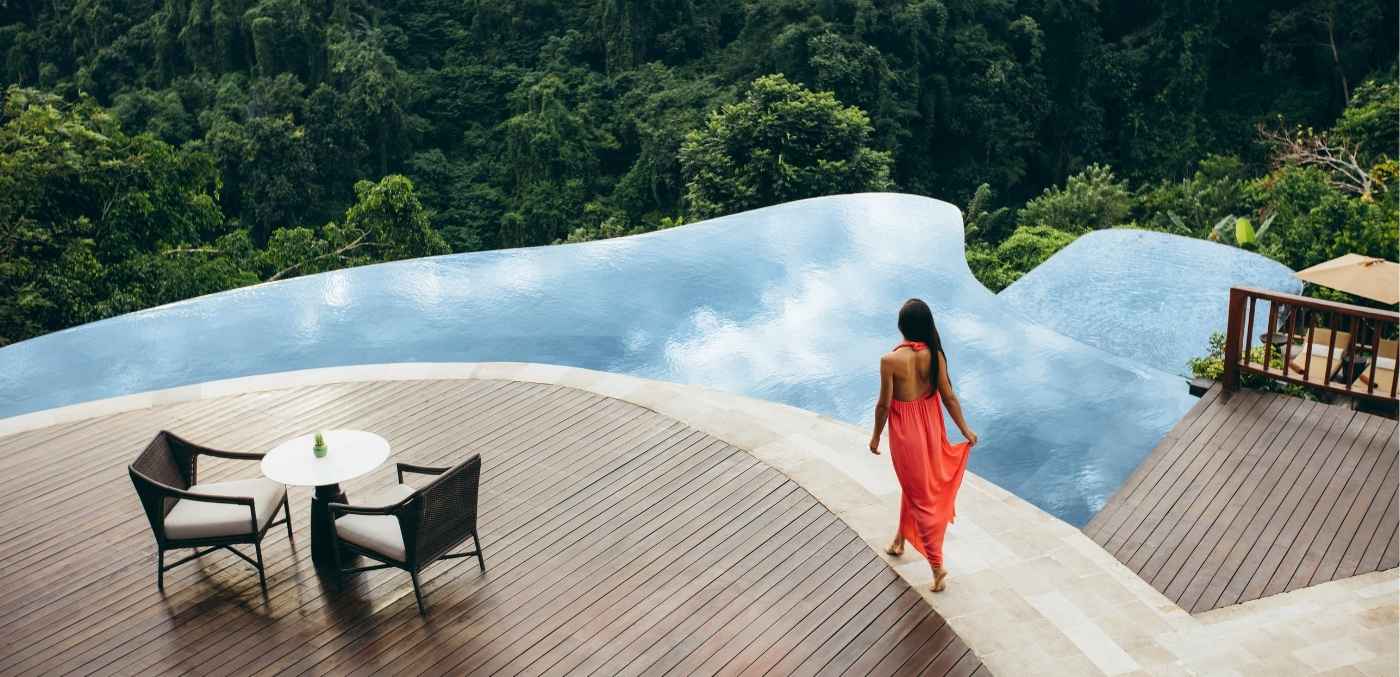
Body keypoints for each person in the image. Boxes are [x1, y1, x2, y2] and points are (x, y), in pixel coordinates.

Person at [868, 298, 977, 592]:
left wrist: (877, 436)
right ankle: (899, 541)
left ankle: (937, 567)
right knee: (913, 487)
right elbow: (949, 397)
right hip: (931, 430)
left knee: (919, 498)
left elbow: (883, 406)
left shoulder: (890, 361)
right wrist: (965, 430)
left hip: (907, 438)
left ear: (901, 327)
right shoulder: (935, 355)